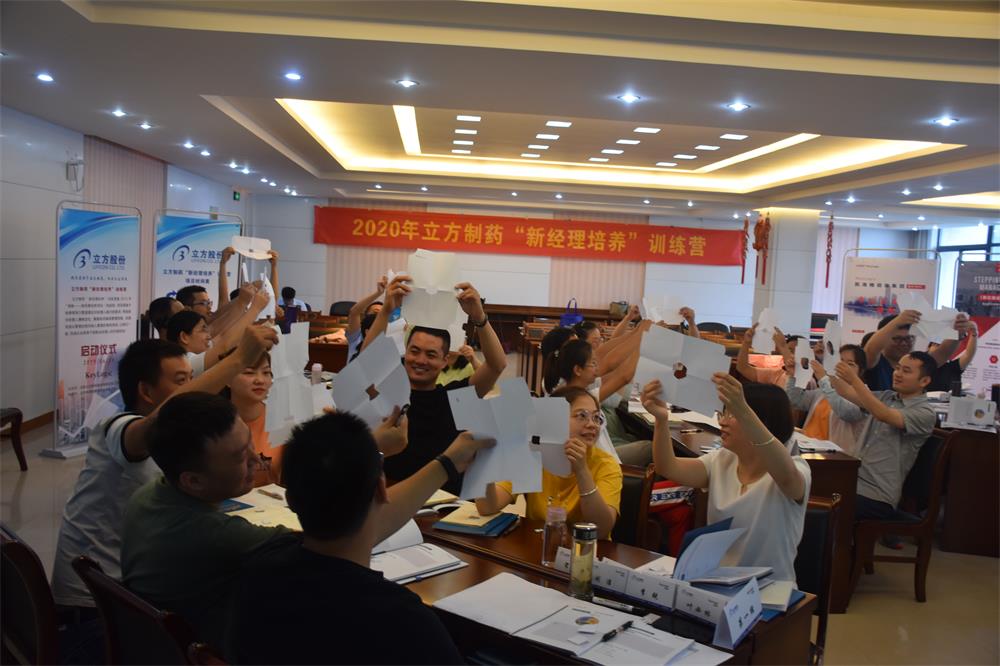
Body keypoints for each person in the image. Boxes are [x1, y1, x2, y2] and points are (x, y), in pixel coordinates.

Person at [121, 394, 493, 656]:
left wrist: (358, 452)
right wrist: (444, 464)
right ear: (192, 480)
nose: (256, 459)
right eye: (237, 457)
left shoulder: (148, 498)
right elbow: (341, 534)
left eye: (249, 443)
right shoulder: (220, 539)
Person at [49, 327, 278, 622]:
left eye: (192, 378)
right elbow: (163, 419)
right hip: (94, 605)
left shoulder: (176, 439)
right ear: (146, 391)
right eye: (182, 382)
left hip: (127, 587)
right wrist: (239, 360)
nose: (193, 388)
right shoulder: (117, 427)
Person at [233, 411, 467, 665]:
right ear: (381, 489)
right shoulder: (405, 620)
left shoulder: (257, 581)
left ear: (290, 499)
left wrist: (447, 464)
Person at [644, 375, 810, 583]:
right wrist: (661, 420)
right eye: (723, 413)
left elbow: (787, 477)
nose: (722, 422)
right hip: (718, 582)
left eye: (733, 414)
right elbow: (668, 467)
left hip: (771, 588)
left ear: (762, 422)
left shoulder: (796, 468)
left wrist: (743, 409)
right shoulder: (722, 460)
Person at [364, 274, 507, 493]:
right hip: (393, 495)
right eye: (414, 351)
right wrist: (386, 310)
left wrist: (479, 317)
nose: (420, 360)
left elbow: (497, 365)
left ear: (444, 360)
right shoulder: (389, 393)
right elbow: (366, 364)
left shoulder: (456, 396)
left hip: (445, 499)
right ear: (405, 353)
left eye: (431, 354)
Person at [475, 386, 622, 539]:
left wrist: (581, 470)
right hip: (538, 546)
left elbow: (601, 530)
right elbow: (487, 506)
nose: (592, 424)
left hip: (584, 549)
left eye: (596, 417)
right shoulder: (532, 455)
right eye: (582, 416)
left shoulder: (606, 465)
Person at [831, 351, 938, 521]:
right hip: (852, 481)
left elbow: (883, 414)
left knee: (821, 506)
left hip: (877, 494)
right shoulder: (887, 396)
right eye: (897, 368)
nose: (898, 374)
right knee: (808, 490)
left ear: (924, 381)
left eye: (906, 371)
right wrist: (824, 368)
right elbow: (846, 392)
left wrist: (855, 380)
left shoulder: (925, 413)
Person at [783, 344, 869, 456]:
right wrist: (794, 375)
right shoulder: (823, 391)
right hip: (808, 451)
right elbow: (795, 400)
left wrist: (824, 379)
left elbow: (845, 412)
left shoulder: (864, 394)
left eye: (850, 364)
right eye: (840, 362)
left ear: (861, 371)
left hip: (838, 458)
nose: (843, 367)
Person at [166, 286, 270, 376]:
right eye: (203, 330)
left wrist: (243, 303)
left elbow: (223, 335)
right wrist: (255, 308)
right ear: (184, 337)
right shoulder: (187, 362)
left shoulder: (200, 352)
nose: (209, 336)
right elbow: (225, 344)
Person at [862, 310, 966, 391]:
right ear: (884, 338)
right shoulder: (876, 362)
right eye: (897, 339)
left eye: (909, 338)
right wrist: (897, 321)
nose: (904, 343)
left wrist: (957, 332)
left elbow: (943, 353)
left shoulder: (916, 361)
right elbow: (871, 349)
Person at [222, 351, 279, 486]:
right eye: (249, 372)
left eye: (266, 372)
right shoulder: (215, 423)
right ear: (227, 379)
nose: (260, 380)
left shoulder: (282, 422)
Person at [927, 320, 978, 392]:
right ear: (929, 347)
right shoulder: (921, 363)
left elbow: (968, 354)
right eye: (937, 345)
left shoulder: (952, 366)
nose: (940, 349)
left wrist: (974, 334)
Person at [345, 276, 387, 360]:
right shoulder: (357, 336)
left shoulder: (386, 338)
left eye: (380, 315)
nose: (377, 317)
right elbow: (354, 312)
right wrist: (378, 293)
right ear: (365, 315)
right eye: (375, 313)